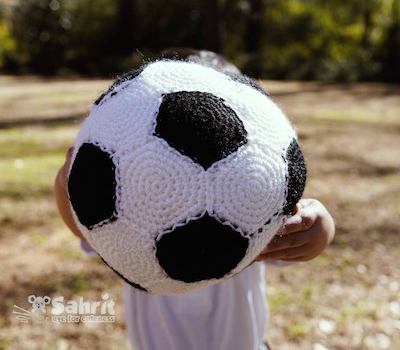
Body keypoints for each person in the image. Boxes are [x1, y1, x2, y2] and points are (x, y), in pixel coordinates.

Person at [54, 51, 335, 350]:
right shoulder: (132, 202)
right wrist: (66, 183)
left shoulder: (248, 204)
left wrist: (319, 229)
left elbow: (302, 240)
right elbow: (82, 228)